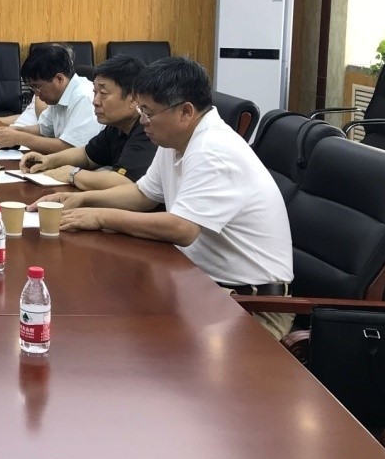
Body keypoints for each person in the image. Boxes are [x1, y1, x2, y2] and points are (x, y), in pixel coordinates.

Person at [40, 57, 293, 339]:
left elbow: (182, 229)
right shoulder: (175, 140)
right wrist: (82, 200)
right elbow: (142, 195)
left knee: (133, 339)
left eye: (148, 112)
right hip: (201, 284)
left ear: (185, 111)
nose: (142, 121)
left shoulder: (213, 150)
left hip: (250, 305)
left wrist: (100, 217)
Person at [18, 55, 155, 189]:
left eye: (103, 93)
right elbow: (87, 155)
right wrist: (48, 160)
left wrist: (73, 174)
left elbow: (124, 182)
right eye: (95, 92)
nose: (95, 101)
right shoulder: (117, 126)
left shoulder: (148, 129)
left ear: (134, 98)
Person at [0, 43, 100, 153]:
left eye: (37, 87)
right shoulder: (59, 95)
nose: (37, 94)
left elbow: (72, 148)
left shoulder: (84, 97)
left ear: (59, 79)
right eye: (32, 88)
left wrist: (19, 138)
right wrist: (14, 131)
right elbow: (44, 129)